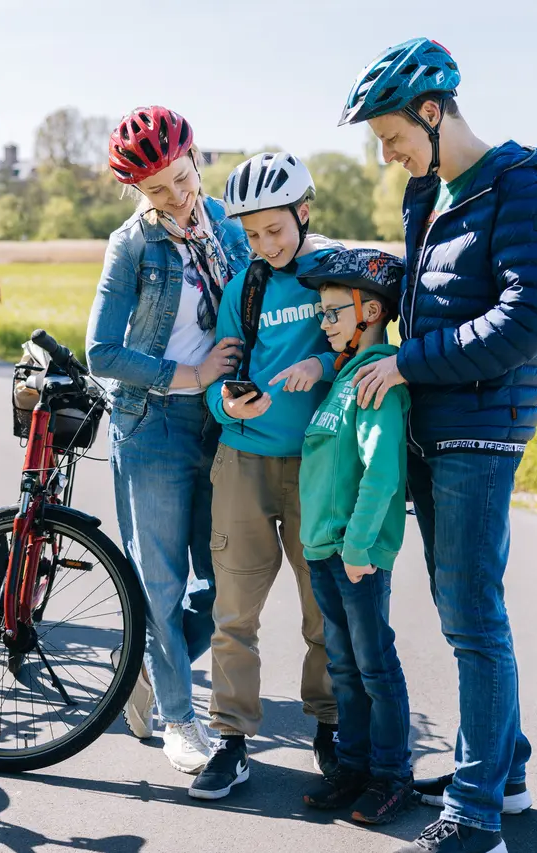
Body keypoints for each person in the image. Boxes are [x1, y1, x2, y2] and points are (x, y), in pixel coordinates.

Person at [338, 37, 537, 853]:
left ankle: (475, 818)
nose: (390, 155)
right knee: (460, 605)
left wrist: (406, 362)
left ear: (433, 112)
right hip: (434, 424)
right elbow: (421, 295)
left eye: (394, 136)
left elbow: (525, 320)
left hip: (481, 424)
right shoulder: (430, 195)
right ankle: (504, 772)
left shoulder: (519, 191)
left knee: (472, 616)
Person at [85, 106, 250, 774]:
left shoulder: (232, 233)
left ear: (198, 161)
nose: (177, 198)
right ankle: (181, 719)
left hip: (222, 426)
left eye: (181, 179)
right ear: (138, 194)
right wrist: (188, 371)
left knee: (225, 582)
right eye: (157, 190)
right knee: (161, 582)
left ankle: (149, 664)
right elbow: (101, 349)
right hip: (151, 427)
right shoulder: (133, 245)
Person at [188, 152, 342, 801]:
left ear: (304, 213)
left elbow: (364, 350)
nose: (265, 244)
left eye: (276, 229)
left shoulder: (333, 277)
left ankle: (331, 729)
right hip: (243, 461)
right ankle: (231, 740)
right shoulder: (245, 289)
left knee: (325, 609)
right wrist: (228, 403)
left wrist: (320, 367)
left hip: (317, 462)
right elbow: (220, 376)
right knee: (234, 612)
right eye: (252, 234)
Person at [292, 248, 416, 827]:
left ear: (370, 310)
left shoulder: (375, 376)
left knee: (374, 666)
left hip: (355, 554)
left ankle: (392, 776)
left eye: (333, 311)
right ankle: (353, 766)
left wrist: (361, 547)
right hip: (324, 550)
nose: (326, 321)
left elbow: (382, 471)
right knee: (343, 665)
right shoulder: (342, 376)